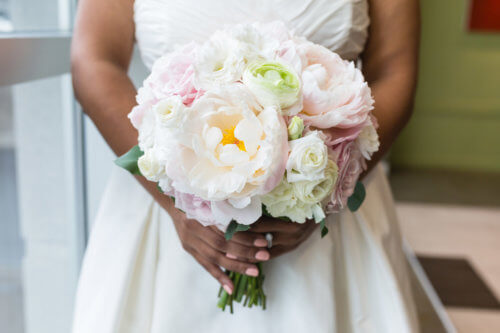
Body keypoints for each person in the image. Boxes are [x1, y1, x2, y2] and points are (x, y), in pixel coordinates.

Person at [71, 0, 421, 332]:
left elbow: (394, 70)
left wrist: (325, 189)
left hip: (331, 217)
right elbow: (94, 61)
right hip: (165, 211)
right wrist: (178, 203)